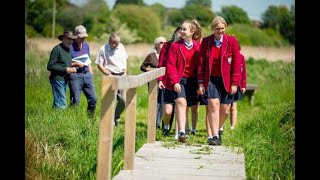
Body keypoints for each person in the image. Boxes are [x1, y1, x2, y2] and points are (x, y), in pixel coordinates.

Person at [197, 16, 241, 146]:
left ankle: (218, 128)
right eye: (217, 29)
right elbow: (201, 64)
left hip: (227, 80)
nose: (220, 31)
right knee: (213, 106)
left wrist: (234, 83)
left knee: (226, 110)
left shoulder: (232, 41)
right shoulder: (206, 42)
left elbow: (236, 63)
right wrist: (200, 82)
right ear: (212, 29)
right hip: (210, 80)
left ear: (225, 28)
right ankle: (214, 136)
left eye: (222, 28)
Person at [163, 19, 202, 143]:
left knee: (189, 106)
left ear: (192, 32)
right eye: (181, 29)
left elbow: (202, 66)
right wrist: (174, 81)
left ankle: (185, 130)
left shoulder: (198, 47)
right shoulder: (175, 46)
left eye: (184, 29)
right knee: (180, 102)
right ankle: (181, 132)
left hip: (193, 81)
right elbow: (170, 65)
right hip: (179, 80)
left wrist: (201, 82)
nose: (181, 31)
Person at [95, 32, 128, 126]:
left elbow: (125, 61)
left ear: (119, 42)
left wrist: (125, 73)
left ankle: (116, 116)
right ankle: (108, 121)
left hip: (121, 76)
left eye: (116, 43)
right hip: (110, 76)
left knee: (123, 100)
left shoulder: (121, 47)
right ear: (109, 40)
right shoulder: (103, 49)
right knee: (110, 100)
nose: (113, 45)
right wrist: (108, 74)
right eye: (111, 42)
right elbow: (99, 64)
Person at [69, 25, 97, 118]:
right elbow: (66, 62)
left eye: (84, 36)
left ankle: (90, 120)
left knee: (93, 99)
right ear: (76, 35)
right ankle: (72, 121)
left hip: (87, 75)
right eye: (81, 37)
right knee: (75, 101)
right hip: (75, 76)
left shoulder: (86, 45)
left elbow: (88, 60)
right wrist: (77, 63)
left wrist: (91, 74)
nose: (83, 38)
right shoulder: (69, 46)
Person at [158, 26, 181, 137]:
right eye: (178, 31)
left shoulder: (184, 46)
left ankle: (178, 134)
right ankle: (166, 125)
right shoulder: (166, 46)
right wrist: (160, 80)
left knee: (179, 108)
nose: (180, 33)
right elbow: (161, 64)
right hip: (167, 81)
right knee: (167, 111)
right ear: (175, 33)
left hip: (181, 81)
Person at [140, 36, 167, 129]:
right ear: (156, 45)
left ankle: (161, 123)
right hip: (153, 82)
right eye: (161, 42)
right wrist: (150, 70)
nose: (164, 44)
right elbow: (142, 67)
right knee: (155, 102)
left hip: (164, 82)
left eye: (165, 42)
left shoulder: (168, 55)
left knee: (163, 102)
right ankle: (154, 124)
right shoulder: (151, 56)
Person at [47, 31, 77, 109]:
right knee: (62, 104)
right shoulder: (57, 49)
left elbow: (67, 63)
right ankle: (60, 121)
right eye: (69, 39)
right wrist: (65, 69)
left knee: (58, 102)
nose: (71, 41)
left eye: (72, 39)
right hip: (57, 79)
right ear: (63, 38)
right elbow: (50, 66)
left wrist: (73, 67)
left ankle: (53, 118)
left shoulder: (69, 50)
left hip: (65, 79)